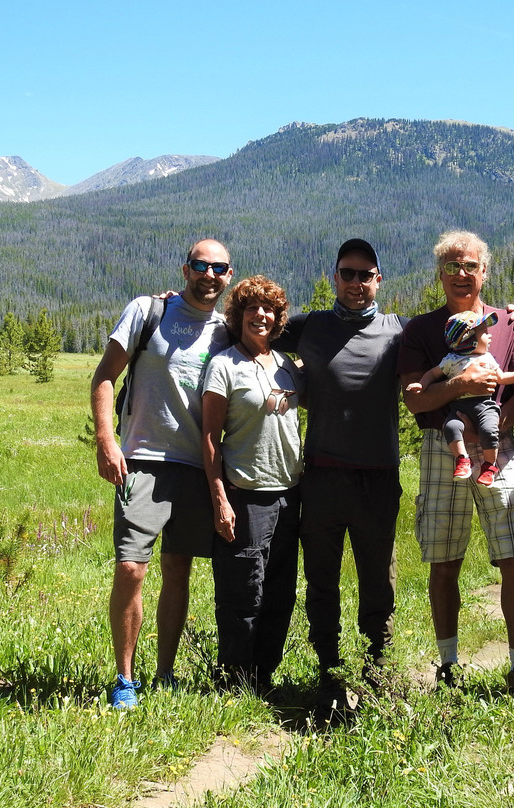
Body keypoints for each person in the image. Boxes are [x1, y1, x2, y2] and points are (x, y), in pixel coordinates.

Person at [91, 238, 233, 708]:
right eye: (200, 265)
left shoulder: (227, 330)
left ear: (229, 276)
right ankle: (125, 679)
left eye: (219, 268)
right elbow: (105, 377)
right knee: (131, 567)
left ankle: (166, 673)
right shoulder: (148, 311)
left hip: (196, 466)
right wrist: (107, 441)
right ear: (185, 268)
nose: (209, 275)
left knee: (177, 569)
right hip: (144, 460)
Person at [398, 229, 514, 695]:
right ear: (440, 273)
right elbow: (416, 401)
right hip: (445, 448)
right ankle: (448, 666)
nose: (462, 275)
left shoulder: (510, 326)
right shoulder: (420, 330)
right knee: (444, 560)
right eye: (452, 266)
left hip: (498, 450)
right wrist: (461, 388)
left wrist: (496, 425)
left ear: (485, 272)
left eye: (471, 266)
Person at [272, 238, 407, 716]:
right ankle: (329, 676)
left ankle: (376, 671)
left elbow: (457, 333)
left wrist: (513, 317)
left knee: (378, 581)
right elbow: (249, 324)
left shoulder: (399, 331)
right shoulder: (310, 327)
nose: (355, 283)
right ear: (334, 277)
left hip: (378, 479)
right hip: (323, 478)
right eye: (347, 274)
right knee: (321, 580)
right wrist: (178, 308)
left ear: (379, 280)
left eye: (365, 275)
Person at [201, 276, 304, 691]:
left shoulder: (287, 366)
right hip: (244, 495)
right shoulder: (224, 365)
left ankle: (264, 675)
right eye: (251, 308)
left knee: (281, 593)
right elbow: (209, 437)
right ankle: (235, 679)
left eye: (268, 310)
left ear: (278, 318)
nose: (260, 315)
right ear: (238, 315)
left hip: (289, 494)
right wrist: (219, 499)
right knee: (243, 594)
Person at [406, 310, 514, 486]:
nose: (489, 335)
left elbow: (503, 378)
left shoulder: (488, 358)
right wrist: (422, 385)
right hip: (459, 408)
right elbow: (432, 373)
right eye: (483, 331)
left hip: (485, 406)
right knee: (451, 426)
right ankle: (462, 460)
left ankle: (489, 467)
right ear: (468, 339)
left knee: (490, 429)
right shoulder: (451, 360)